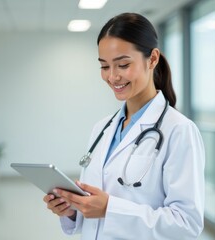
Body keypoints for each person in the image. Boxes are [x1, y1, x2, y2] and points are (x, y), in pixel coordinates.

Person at [43, 12, 205, 240]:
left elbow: (186, 224)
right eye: (104, 66)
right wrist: (72, 210)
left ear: (152, 59)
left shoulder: (178, 130)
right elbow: (95, 210)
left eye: (123, 65)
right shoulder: (102, 128)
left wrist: (110, 209)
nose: (112, 77)